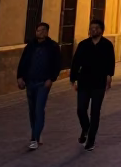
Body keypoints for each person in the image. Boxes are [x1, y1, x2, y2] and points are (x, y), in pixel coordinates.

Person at [69, 18, 115, 151]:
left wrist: (109, 77)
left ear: (101, 30)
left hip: (99, 82)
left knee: (95, 112)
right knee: (81, 109)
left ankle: (91, 139)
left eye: (96, 28)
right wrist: (73, 79)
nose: (93, 30)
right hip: (84, 82)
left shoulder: (107, 45)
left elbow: (110, 62)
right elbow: (76, 62)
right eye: (91, 28)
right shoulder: (83, 45)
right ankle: (86, 128)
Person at [16, 22, 62, 150]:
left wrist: (51, 78)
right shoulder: (30, 46)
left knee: (39, 109)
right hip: (30, 82)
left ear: (47, 32)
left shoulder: (52, 47)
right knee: (32, 111)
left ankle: (34, 138)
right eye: (38, 30)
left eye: (42, 30)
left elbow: (57, 64)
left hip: (43, 82)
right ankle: (37, 133)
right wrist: (20, 77)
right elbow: (23, 62)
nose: (39, 33)